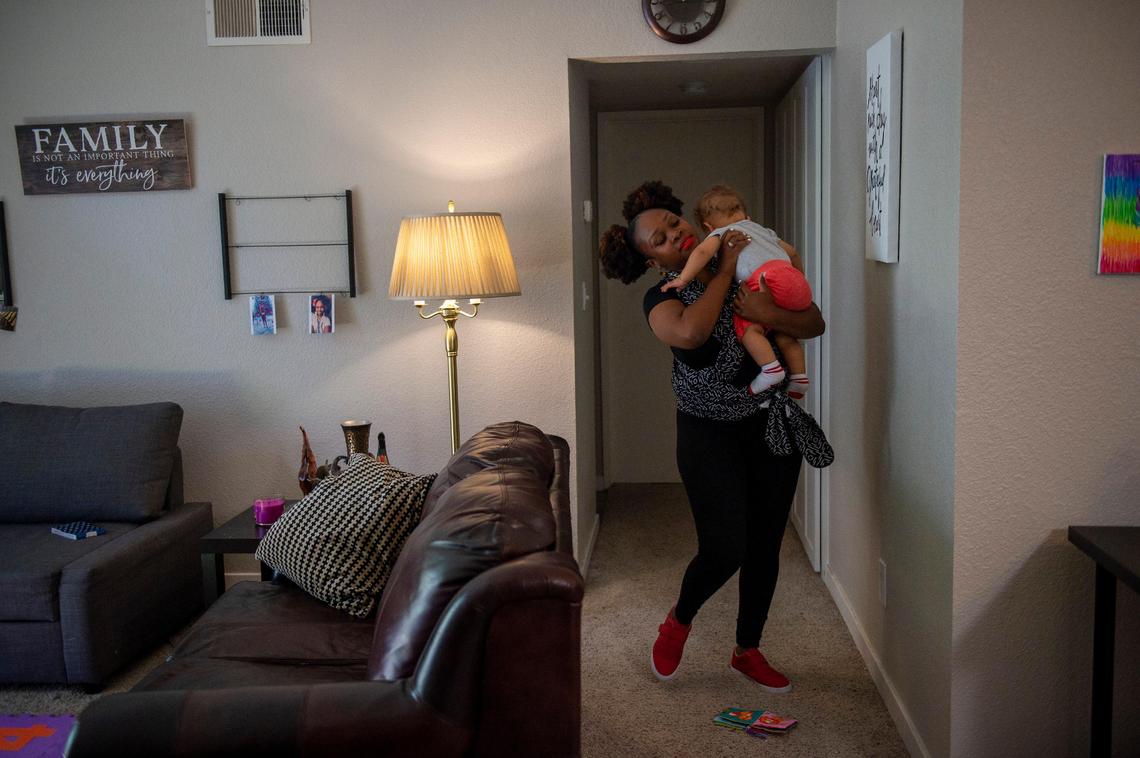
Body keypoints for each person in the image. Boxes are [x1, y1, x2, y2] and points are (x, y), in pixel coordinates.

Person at [598, 180, 825, 693]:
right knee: (725, 547)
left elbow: (812, 320)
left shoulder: (753, 264)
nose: (673, 235)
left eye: (674, 223)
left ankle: (748, 650)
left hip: (770, 424)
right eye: (659, 238)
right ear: (653, 261)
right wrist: (723, 268)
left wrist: (766, 307)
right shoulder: (664, 296)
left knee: (765, 545)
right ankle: (679, 619)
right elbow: (692, 334)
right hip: (708, 434)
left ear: (690, 221)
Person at [662, 185, 811, 400]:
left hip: (766, 281)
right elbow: (793, 253)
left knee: (751, 332)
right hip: (794, 282)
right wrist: (798, 281)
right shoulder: (763, 231)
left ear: (707, 226)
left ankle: (770, 369)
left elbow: (703, 251)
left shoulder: (723, 233)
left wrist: (683, 278)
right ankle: (799, 375)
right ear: (746, 216)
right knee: (783, 333)